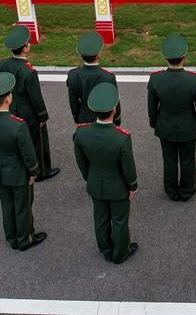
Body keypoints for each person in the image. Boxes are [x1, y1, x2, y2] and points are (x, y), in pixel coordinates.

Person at [0, 72, 47, 251]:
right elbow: (28, 154)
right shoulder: (17, 125)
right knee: (22, 207)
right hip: (18, 173)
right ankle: (25, 239)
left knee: (7, 205)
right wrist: (33, 172)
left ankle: (12, 236)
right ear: (7, 99)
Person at [73, 83, 139, 263]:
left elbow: (81, 161)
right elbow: (128, 167)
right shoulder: (121, 137)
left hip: (95, 182)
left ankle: (106, 249)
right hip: (117, 187)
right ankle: (120, 253)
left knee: (100, 219)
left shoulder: (81, 133)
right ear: (114, 109)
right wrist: (132, 186)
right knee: (119, 221)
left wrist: (89, 177)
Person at [147, 33, 196, 201]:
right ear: (184, 57)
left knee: (169, 160)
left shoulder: (156, 79)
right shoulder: (194, 80)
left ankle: (171, 189)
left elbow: (152, 107)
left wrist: (155, 123)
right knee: (188, 159)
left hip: (165, 125)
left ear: (165, 58)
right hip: (188, 126)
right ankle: (187, 189)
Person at [0, 25, 59, 182]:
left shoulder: (4, 64)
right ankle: (42, 171)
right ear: (25, 48)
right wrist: (43, 116)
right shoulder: (28, 71)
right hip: (29, 113)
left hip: (11, 108)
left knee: (21, 140)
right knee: (38, 142)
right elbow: (35, 97)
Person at [67, 31, 122, 126]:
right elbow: (114, 102)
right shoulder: (108, 77)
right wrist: (117, 120)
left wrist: (77, 118)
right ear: (98, 54)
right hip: (104, 120)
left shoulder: (73, 75)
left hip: (83, 119)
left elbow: (73, 103)